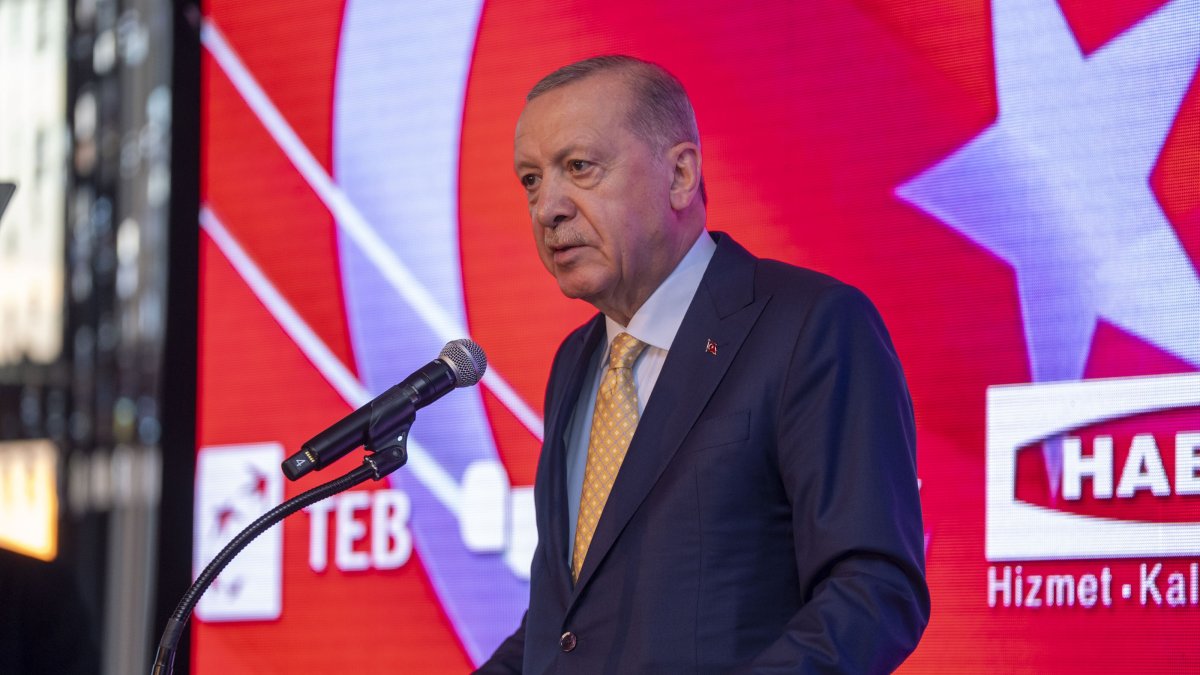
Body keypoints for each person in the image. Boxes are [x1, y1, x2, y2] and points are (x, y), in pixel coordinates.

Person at [476, 55, 929, 674]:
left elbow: (872, 589)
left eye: (579, 168)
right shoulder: (574, 364)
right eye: (530, 180)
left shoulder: (809, 326)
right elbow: (568, 624)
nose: (547, 207)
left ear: (681, 174)